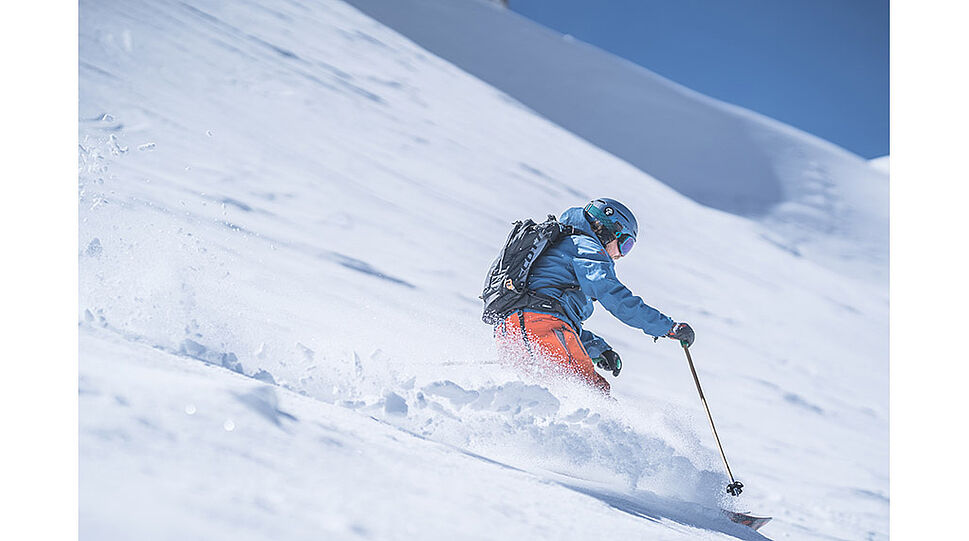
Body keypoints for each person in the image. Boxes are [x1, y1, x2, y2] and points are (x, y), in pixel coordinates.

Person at [493, 198, 695, 394]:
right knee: (591, 395)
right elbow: (613, 295)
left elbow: (549, 309)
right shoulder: (586, 246)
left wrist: (597, 349)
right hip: (542, 323)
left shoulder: (563, 245)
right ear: (609, 230)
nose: (621, 255)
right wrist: (668, 327)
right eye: (625, 244)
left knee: (534, 396)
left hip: (509, 330)